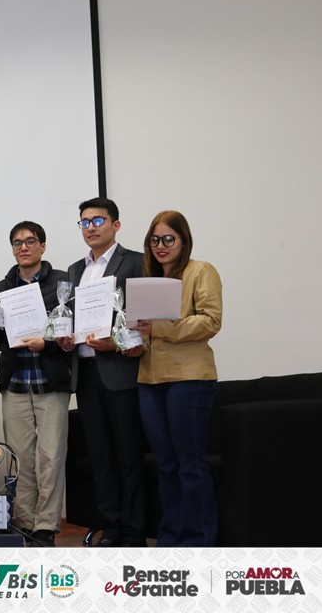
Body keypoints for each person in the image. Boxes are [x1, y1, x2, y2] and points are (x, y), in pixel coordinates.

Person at [55, 197, 147, 547]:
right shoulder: (75, 270)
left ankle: (134, 532)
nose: (90, 228)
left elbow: (143, 319)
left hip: (120, 371)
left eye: (98, 221)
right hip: (86, 373)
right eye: (85, 222)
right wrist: (66, 339)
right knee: (101, 457)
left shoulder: (135, 262)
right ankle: (112, 527)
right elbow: (73, 318)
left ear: (115, 225)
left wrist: (117, 342)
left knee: (129, 456)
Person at [134, 211, 222, 546]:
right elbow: (145, 331)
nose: (161, 245)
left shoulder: (201, 271)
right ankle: (169, 539)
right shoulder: (148, 280)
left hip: (189, 379)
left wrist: (160, 328)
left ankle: (197, 541)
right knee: (166, 465)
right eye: (155, 239)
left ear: (184, 241)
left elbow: (210, 321)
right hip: (149, 380)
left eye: (169, 238)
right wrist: (132, 342)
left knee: (190, 464)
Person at [0, 221, 71, 548]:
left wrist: (45, 344)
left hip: (51, 382)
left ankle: (46, 527)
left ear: (42, 246)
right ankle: (24, 523)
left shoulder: (63, 282)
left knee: (51, 458)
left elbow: (70, 332)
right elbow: (0, 341)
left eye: (30, 241)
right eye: (17, 243)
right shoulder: (1, 287)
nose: (23, 247)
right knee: (20, 458)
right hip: (15, 382)